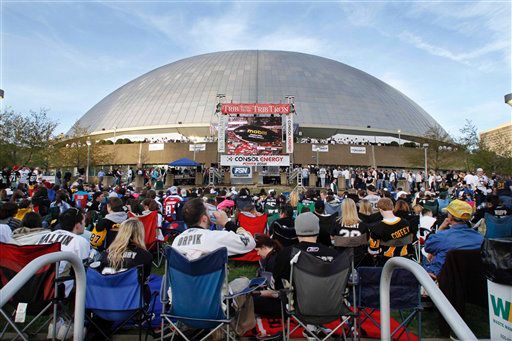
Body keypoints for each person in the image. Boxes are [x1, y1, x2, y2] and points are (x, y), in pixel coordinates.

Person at [171, 198, 256, 260]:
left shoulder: (175, 242)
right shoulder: (216, 237)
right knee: (243, 280)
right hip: (212, 284)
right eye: (208, 211)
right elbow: (250, 242)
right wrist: (227, 223)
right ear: (204, 219)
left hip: (181, 284)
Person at [272, 212, 338, 290]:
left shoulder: (285, 254)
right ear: (318, 229)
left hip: (297, 300)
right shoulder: (334, 255)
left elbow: (276, 285)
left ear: (296, 230)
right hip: (329, 299)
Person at [36, 208, 90, 296]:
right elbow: (83, 271)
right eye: (83, 222)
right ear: (77, 225)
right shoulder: (79, 241)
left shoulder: (46, 235)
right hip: (58, 286)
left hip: (37, 283)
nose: (85, 224)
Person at [424, 200, 484, 278]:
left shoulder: (442, 237)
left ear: (450, 216)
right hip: (470, 278)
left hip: (443, 279)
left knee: (426, 259)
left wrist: (441, 228)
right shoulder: (480, 238)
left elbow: (428, 247)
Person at [368, 198, 414, 265]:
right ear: (393, 208)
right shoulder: (406, 223)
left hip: (387, 262)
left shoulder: (377, 228)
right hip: (405, 259)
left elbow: (373, 251)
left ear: (380, 210)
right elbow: (411, 240)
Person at [330, 198, 369, 266]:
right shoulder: (362, 224)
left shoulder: (336, 222)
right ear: (354, 208)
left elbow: (332, 239)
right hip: (358, 258)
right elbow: (366, 240)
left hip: (341, 257)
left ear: (342, 208)